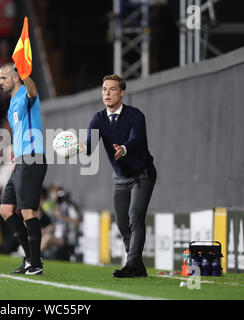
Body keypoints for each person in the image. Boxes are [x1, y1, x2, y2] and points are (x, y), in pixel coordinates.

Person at [82, 74, 157, 278]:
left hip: (143, 174)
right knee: (122, 223)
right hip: (121, 178)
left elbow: (136, 139)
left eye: (112, 89)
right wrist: (75, 148)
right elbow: (89, 147)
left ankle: (131, 265)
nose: (107, 93)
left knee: (135, 217)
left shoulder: (136, 115)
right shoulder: (98, 119)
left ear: (122, 93)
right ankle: (137, 266)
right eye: (104, 89)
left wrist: (123, 149)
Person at [0, 63, 47, 275]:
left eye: (3, 78)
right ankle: (30, 258)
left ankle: (35, 264)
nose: (0, 82)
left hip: (33, 158)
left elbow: (34, 91)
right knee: (6, 209)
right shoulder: (12, 104)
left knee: (28, 211)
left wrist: (25, 73)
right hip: (20, 161)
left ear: (15, 77)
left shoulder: (26, 93)